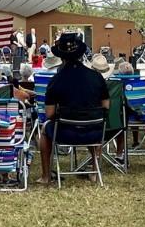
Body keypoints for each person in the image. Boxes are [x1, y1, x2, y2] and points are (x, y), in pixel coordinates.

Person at [37, 33, 109, 185]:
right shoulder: (96, 77)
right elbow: (106, 107)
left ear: (61, 57)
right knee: (94, 122)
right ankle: (95, 172)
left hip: (65, 132)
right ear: (81, 54)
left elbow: (49, 114)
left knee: (44, 130)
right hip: (94, 133)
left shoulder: (56, 81)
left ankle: (46, 176)